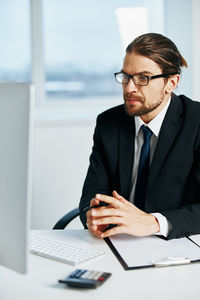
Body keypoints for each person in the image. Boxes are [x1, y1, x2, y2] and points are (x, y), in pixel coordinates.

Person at [79, 32, 200, 240]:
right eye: (126, 77)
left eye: (143, 78)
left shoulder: (196, 122)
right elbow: (92, 194)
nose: (129, 88)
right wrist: (94, 217)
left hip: (177, 243)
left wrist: (153, 222)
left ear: (171, 83)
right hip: (119, 240)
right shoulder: (108, 123)